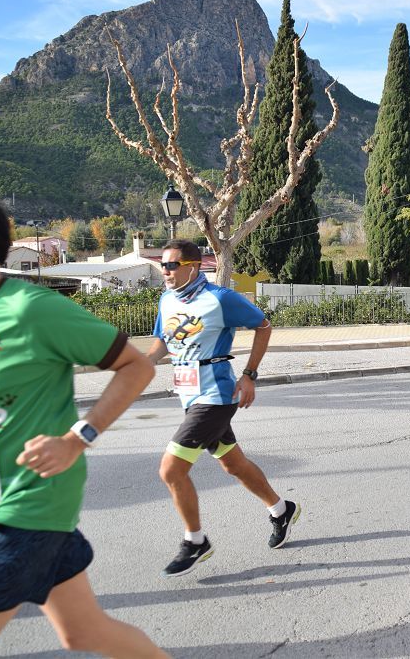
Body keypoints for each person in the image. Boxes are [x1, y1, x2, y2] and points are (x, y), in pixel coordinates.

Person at [0, 184, 165, 658]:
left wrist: (76, 438)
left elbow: (138, 366)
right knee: (85, 633)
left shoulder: (32, 310)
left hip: (29, 507)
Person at [147, 240, 300, 577]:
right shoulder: (167, 300)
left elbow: (263, 325)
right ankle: (280, 509)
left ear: (193, 266)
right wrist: (143, 365)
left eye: (172, 265)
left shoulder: (219, 299)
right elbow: (162, 341)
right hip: (189, 395)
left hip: (216, 395)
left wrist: (249, 375)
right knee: (233, 464)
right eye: (163, 264)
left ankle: (195, 540)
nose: (166, 271)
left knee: (171, 470)